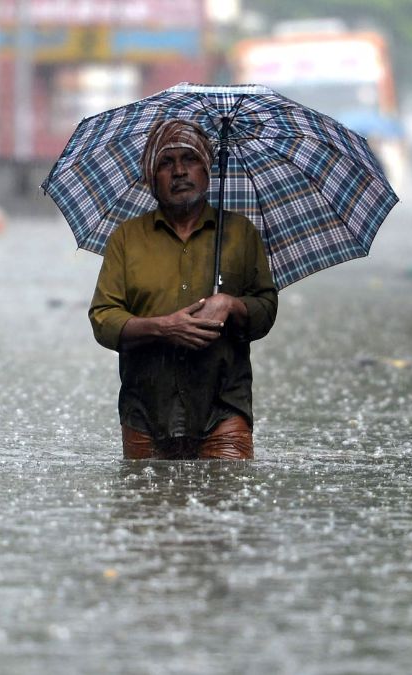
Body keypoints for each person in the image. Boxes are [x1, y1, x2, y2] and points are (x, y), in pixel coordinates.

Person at [89, 119, 278, 460]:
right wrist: (164, 327)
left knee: (227, 505)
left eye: (189, 159)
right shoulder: (127, 239)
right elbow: (104, 319)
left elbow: (265, 310)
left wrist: (231, 304)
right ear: (151, 178)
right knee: (145, 507)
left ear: (207, 170)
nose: (179, 171)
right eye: (166, 163)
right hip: (146, 411)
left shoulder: (239, 234)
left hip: (223, 409)